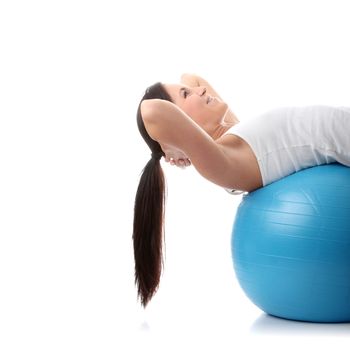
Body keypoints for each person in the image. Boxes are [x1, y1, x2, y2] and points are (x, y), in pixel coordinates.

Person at [133, 73, 350, 307]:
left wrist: (178, 138)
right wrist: (171, 146)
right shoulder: (226, 160)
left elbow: (192, 77)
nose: (201, 90)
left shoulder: (233, 132)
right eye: (186, 94)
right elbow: (152, 110)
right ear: (180, 122)